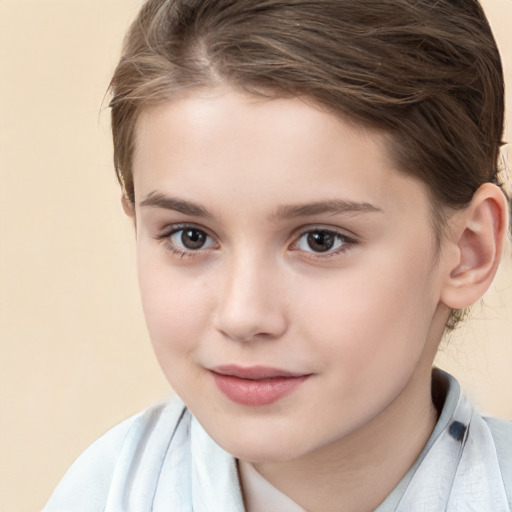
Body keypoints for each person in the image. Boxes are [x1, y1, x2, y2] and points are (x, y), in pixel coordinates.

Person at [44, 0, 511, 511]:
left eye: (320, 240)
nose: (243, 316)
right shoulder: (101, 494)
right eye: (190, 236)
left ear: (468, 251)